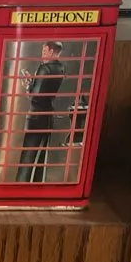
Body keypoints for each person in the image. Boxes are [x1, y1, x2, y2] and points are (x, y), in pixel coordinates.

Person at [16, 41, 83, 183]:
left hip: (36, 116)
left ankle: (21, 183)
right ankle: (37, 183)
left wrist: (28, 85)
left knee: (28, 154)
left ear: (52, 52)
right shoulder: (61, 68)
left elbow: (35, 96)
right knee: (42, 154)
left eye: (45, 50)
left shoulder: (44, 69)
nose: (43, 53)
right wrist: (34, 83)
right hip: (48, 115)